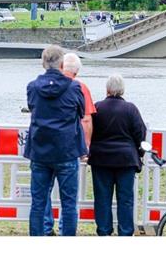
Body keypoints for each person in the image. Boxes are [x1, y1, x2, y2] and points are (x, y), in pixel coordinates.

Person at [24, 45, 86, 236]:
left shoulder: (33, 87)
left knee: (38, 202)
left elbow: (32, 107)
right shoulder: (74, 87)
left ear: (43, 63)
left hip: (40, 150)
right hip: (66, 150)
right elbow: (81, 112)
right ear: (61, 64)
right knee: (68, 204)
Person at [43, 52, 96, 235]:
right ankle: (66, 231)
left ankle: (45, 228)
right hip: (69, 149)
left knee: (43, 193)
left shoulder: (43, 85)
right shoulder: (79, 87)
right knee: (69, 200)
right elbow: (86, 119)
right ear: (77, 70)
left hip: (44, 148)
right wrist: (85, 147)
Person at [88, 74, 146, 236]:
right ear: (122, 90)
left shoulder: (96, 108)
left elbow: (89, 131)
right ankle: (125, 232)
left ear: (107, 89)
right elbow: (140, 133)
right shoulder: (130, 109)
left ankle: (104, 231)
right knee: (125, 199)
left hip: (101, 159)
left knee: (102, 198)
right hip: (126, 160)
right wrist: (139, 153)